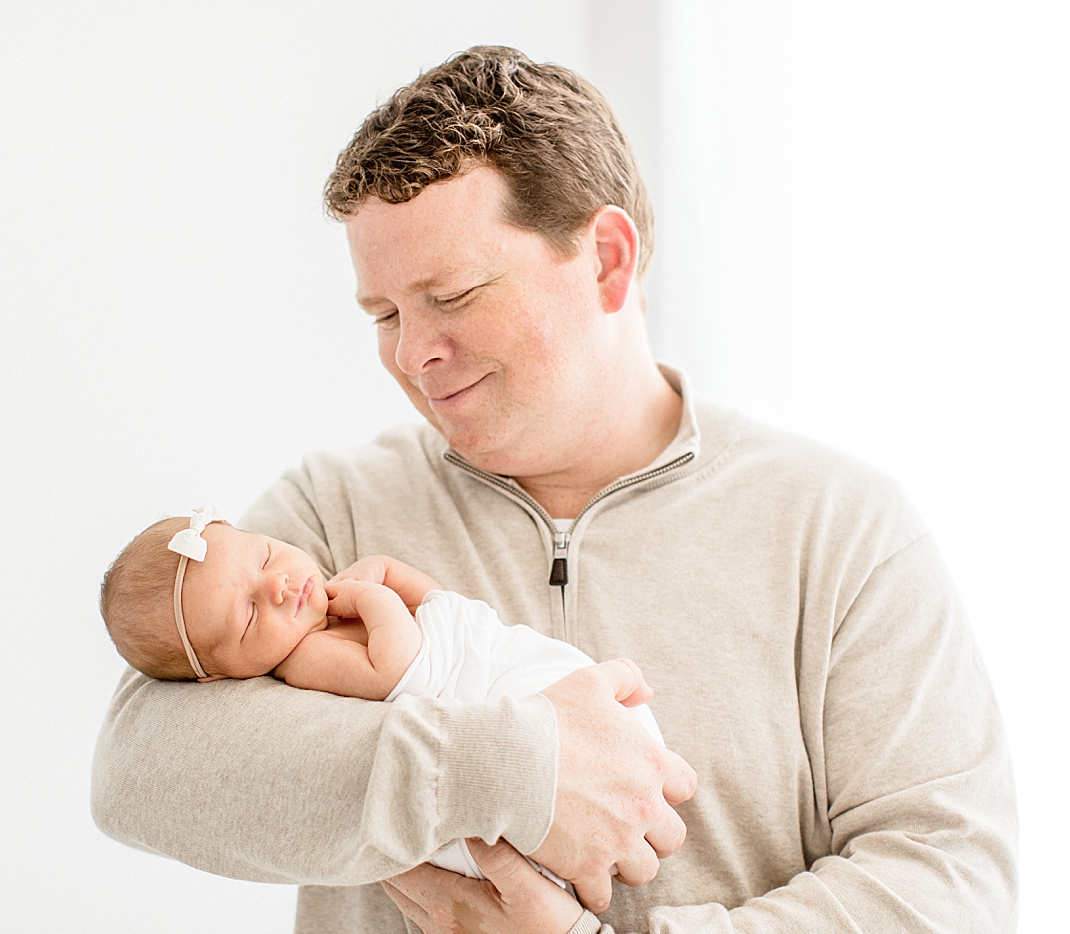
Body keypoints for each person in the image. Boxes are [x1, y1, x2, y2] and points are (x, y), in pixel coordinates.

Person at [91, 46, 1017, 934]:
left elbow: (952, 882)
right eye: (383, 314)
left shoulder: (840, 529)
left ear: (607, 261)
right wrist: (507, 769)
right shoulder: (330, 517)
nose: (412, 355)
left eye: (450, 296)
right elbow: (142, 773)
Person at [99, 508, 666, 901]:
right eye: (248, 614)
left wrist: (387, 574)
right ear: (222, 673)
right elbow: (394, 668)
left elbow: (439, 600)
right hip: (476, 710)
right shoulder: (305, 657)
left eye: (267, 554)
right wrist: (371, 592)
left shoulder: (319, 612)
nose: (276, 586)